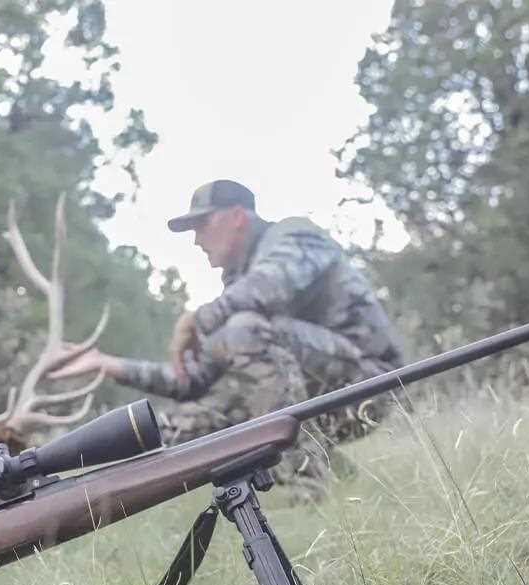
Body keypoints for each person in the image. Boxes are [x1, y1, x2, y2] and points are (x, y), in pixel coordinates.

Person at [52, 179, 405, 497]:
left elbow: (270, 287)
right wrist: (108, 365)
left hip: (368, 388)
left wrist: (196, 319)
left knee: (242, 329)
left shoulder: (294, 236)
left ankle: (306, 481)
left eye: (202, 225)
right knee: (181, 426)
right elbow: (194, 378)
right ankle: (334, 471)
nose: (196, 240)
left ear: (237, 216)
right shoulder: (236, 293)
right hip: (321, 401)